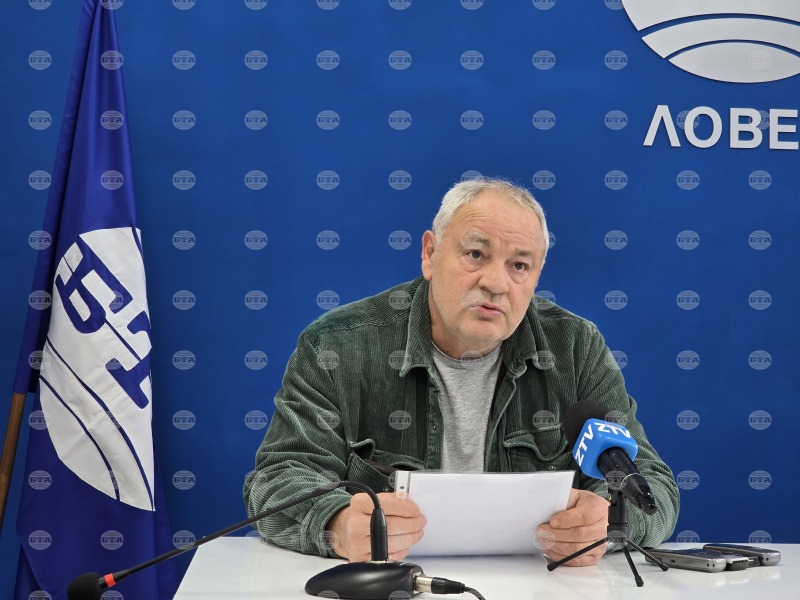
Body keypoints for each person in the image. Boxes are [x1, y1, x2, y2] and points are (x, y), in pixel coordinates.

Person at [244, 177, 679, 566]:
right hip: (394, 584)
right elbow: (278, 478)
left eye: (519, 265)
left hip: (535, 585)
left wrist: (606, 523)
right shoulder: (338, 345)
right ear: (430, 254)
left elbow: (654, 488)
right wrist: (336, 524)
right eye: (475, 254)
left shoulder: (576, 348)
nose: (496, 283)